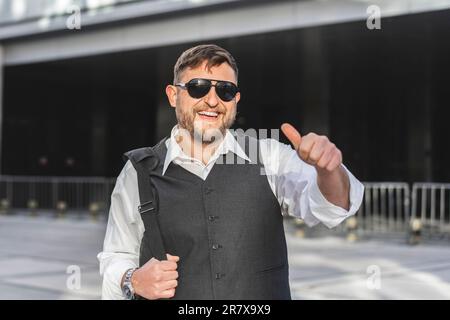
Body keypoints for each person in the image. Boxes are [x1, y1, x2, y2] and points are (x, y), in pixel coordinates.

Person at [97, 44, 364, 300]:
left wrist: (328, 171)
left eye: (225, 90)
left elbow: (333, 208)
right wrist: (132, 278)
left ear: (236, 99)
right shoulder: (138, 171)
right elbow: (115, 255)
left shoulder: (268, 156)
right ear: (173, 95)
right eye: (197, 87)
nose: (212, 100)